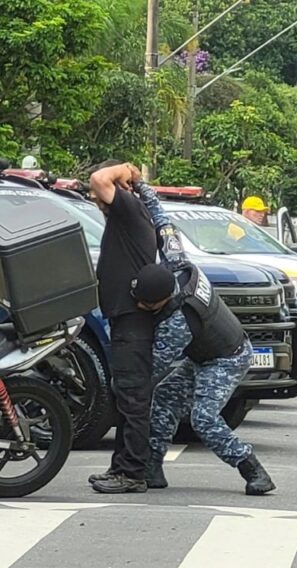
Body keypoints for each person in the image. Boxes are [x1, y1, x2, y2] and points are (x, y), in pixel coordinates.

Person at [132, 263, 275, 495]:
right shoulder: (179, 273)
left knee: (203, 419)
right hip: (205, 355)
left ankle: (252, 469)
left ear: (164, 299)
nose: (140, 306)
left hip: (228, 359)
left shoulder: (178, 323)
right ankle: (152, 467)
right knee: (166, 395)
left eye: (147, 304)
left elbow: (153, 367)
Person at [86, 162, 161, 494]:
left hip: (133, 321)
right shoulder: (126, 216)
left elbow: (100, 179)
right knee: (125, 394)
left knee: (133, 397)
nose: (96, 197)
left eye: (102, 194)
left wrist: (127, 170)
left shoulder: (131, 208)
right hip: (125, 319)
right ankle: (121, 467)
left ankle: (132, 473)